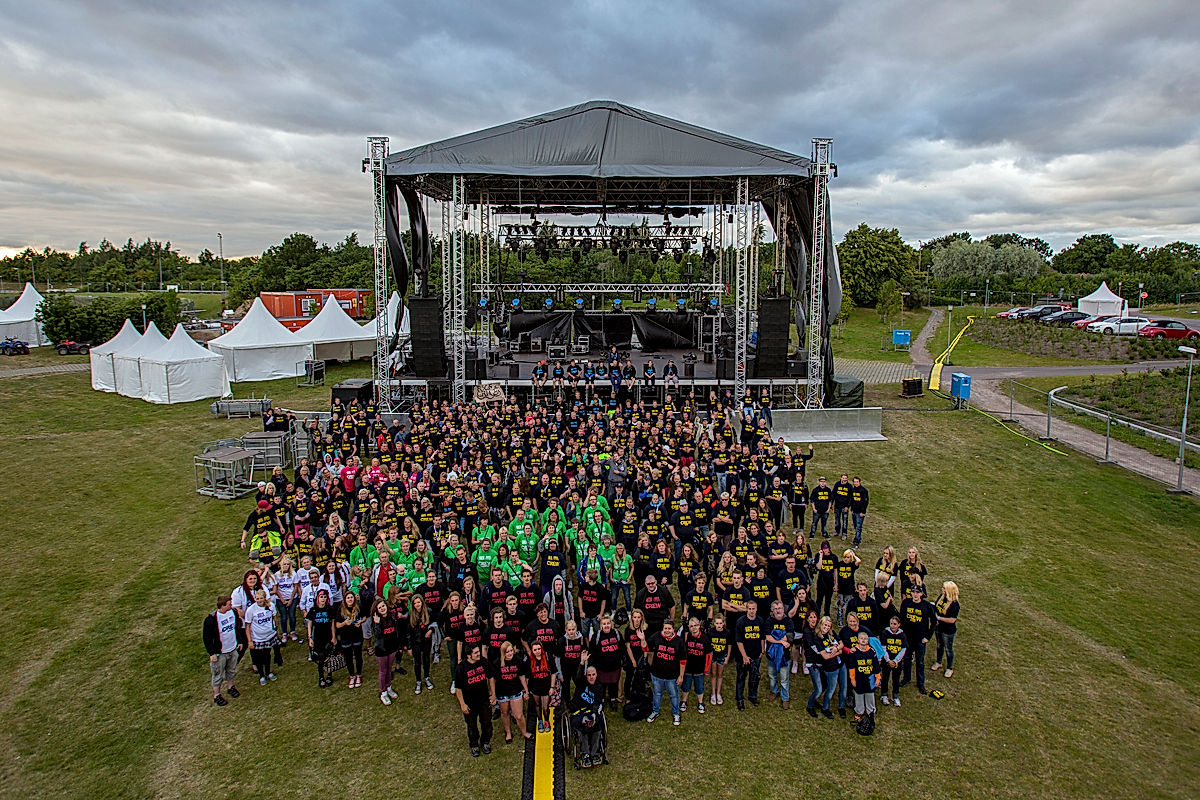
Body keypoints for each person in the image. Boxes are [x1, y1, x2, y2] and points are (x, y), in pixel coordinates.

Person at [203, 594, 246, 706]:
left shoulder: (233, 613)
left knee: (231, 669)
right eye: (229, 604)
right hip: (220, 652)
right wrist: (212, 653)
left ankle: (230, 687)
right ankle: (217, 695)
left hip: (232, 649)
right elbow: (207, 638)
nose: (231, 606)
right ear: (222, 606)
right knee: (218, 673)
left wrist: (240, 641)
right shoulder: (211, 619)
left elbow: (237, 627)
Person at [455, 644, 496, 757]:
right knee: (472, 726)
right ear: (468, 655)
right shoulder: (461, 668)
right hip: (470, 703)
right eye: (476, 653)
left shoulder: (484, 662)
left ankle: (485, 742)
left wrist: (493, 694)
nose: (479, 654)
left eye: (479, 652)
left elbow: (491, 677)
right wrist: (462, 704)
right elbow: (458, 688)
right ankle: (474, 744)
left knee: (487, 723)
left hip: (484, 700)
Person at [568, 655, 605, 768]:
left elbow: (598, 702)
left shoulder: (599, 687)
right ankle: (585, 754)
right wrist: (582, 663)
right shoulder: (581, 683)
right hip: (578, 711)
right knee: (581, 725)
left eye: (593, 675)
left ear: (596, 675)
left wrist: (594, 714)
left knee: (597, 725)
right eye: (589, 675)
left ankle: (594, 753)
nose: (591, 677)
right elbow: (578, 676)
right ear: (586, 676)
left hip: (591, 711)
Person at [646, 619, 685, 725]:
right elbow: (645, 647)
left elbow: (683, 660)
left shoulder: (679, 641)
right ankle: (655, 711)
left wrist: (681, 676)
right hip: (657, 674)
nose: (667, 631)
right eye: (665, 628)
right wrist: (641, 639)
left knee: (674, 695)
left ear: (673, 629)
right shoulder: (656, 636)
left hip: (672, 676)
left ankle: (676, 713)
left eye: (669, 628)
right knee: (657, 694)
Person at [900, 584, 935, 694]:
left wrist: (928, 637)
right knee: (906, 659)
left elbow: (934, 622)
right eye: (913, 592)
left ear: (921, 594)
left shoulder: (927, 606)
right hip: (908, 638)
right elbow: (901, 618)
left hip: (920, 639)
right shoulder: (906, 603)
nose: (915, 594)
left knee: (920, 662)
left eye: (917, 592)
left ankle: (920, 683)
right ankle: (906, 678)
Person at [494, 641, 531, 743]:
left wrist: (526, 690)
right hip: (502, 692)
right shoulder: (497, 663)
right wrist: (493, 694)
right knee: (504, 713)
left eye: (511, 651)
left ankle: (524, 732)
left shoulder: (518, 661)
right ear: (503, 653)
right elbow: (493, 680)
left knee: (519, 715)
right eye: (507, 652)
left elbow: (522, 676)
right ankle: (508, 733)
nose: (510, 653)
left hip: (516, 690)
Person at [244, 589, 280, 686]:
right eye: (257, 599)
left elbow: (274, 618)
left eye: (261, 598)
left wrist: (276, 630)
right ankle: (261, 675)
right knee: (259, 657)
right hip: (258, 638)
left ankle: (268, 672)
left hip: (270, 636)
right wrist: (249, 641)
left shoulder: (271, 606)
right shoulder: (251, 610)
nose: (259, 600)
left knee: (267, 655)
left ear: (265, 598)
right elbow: (247, 626)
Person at [734, 598, 765, 710]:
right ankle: (740, 699)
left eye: (753, 609)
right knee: (741, 677)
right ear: (746, 609)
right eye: (749, 609)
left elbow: (762, 636)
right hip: (742, 656)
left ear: (756, 609)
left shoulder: (760, 621)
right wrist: (744, 656)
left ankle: (752, 696)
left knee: (754, 677)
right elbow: (739, 640)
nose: (751, 611)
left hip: (756, 654)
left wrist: (762, 650)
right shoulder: (741, 622)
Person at [763, 600, 795, 709]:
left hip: (784, 656)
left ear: (783, 609)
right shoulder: (769, 621)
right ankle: (774, 691)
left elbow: (790, 634)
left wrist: (780, 638)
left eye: (780, 608)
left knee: (784, 679)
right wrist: (781, 641)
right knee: (772, 675)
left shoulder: (788, 621)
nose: (778, 611)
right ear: (772, 610)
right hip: (771, 655)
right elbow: (768, 637)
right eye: (776, 609)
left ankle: (785, 698)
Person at [847, 629, 880, 728]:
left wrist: (877, 678)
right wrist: (852, 679)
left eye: (865, 639)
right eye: (861, 638)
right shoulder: (854, 652)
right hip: (859, 679)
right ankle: (859, 712)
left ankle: (871, 712)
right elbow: (851, 667)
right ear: (858, 640)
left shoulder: (872, 651)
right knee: (859, 696)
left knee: (870, 695)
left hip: (869, 679)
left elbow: (876, 667)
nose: (863, 640)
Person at [372, 598, 401, 705]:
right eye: (379, 608)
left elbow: (396, 631)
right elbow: (378, 636)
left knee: (389, 669)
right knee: (383, 671)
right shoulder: (376, 621)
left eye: (383, 606)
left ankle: (388, 687)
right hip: (381, 649)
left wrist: (398, 645)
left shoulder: (392, 617)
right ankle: (383, 692)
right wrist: (378, 624)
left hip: (392, 647)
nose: (382, 609)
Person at [680, 616, 711, 715]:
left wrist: (706, 669)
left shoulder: (705, 638)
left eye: (696, 625)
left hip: (699, 668)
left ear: (699, 626)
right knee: (686, 686)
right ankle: (684, 701)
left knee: (699, 687)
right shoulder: (686, 636)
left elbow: (708, 655)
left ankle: (700, 703)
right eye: (691, 626)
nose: (694, 628)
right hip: (688, 667)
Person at [306, 588, 336, 688]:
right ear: (317, 598)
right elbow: (309, 625)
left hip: (327, 636)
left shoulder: (330, 609)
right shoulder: (313, 610)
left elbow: (332, 624)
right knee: (321, 657)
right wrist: (310, 638)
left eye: (324, 597)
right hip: (317, 637)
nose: (323, 599)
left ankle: (329, 675)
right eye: (321, 597)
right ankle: (321, 677)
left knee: (329, 656)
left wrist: (333, 637)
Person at [335, 592, 365, 689]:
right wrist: (344, 623)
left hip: (357, 635)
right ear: (345, 599)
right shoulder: (341, 609)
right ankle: (352, 675)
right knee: (348, 657)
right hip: (345, 636)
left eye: (351, 597)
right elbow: (337, 625)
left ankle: (359, 675)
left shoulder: (358, 607)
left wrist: (360, 621)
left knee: (358, 656)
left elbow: (364, 616)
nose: (350, 599)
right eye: (348, 598)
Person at [932, 580, 960, 679]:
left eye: (944, 588)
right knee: (939, 645)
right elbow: (936, 606)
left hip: (948, 630)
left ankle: (949, 668)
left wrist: (939, 618)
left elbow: (952, 620)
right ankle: (938, 662)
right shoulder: (941, 597)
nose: (942, 589)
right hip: (939, 627)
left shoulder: (954, 604)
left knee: (948, 649)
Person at [879, 615, 908, 707]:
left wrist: (895, 661)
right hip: (887, 660)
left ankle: (895, 696)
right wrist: (888, 660)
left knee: (896, 679)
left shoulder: (902, 635)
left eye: (895, 624)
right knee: (885, 678)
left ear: (899, 625)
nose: (893, 626)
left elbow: (903, 649)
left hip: (897, 662)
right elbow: (883, 647)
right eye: (891, 623)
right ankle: (884, 695)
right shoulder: (885, 633)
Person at [528, 641, 556, 733]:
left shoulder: (548, 657)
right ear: (532, 651)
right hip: (535, 687)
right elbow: (526, 676)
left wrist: (552, 687)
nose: (537, 651)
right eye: (535, 650)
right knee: (537, 705)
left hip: (546, 687)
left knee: (545, 707)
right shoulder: (529, 660)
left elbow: (553, 673)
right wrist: (527, 690)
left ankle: (546, 721)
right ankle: (540, 721)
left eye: (539, 649)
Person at [410, 593, 435, 693]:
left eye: (418, 602)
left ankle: (427, 677)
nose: (417, 604)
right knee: (417, 662)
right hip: (415, 642)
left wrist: (431, 630)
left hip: (426, 641)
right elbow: (408, 632)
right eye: (415, 603)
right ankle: (418, 681)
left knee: (426, 659)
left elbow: (434, 623)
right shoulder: (410, 615)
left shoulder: (428, 612)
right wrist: (408, 646)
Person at [707, 614, 729, 707]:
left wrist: (727, 657)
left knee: (720, 674)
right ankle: (713, 693)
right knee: (713, 674)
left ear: (723, 623)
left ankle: (718, 693)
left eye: (720, 623)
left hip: (722, 655)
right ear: (714, 624)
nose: (719, 625)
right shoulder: (710, 632)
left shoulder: (727, 632)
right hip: (713, 656)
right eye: (717, 623)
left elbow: (729, 645)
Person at [849, 477, 869, 547]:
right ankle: (858, 538)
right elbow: (851, 499)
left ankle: (856, 542)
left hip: (860, 512)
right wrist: (851, 509)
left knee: (858, 527)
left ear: (859, 482)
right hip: (854, 511)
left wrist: (863, 512)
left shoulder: (863, 491)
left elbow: (865, 502)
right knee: (855, 526)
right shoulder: (853, 490)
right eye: (854, 482)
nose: (856, 483)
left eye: (857, 482)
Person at [832, 474, 853, 540]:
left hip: (844, 507)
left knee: (845, 521)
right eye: (843, 478)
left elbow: (850, 498)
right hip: (837, 506)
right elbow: (833, 494)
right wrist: (832, 504)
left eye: (845, 478)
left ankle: (844, 534)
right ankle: (837, 531)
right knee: (837, 520)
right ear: (841, 478)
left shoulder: (849, 487)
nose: (844, 479)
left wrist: (847, 506)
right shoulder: (837, 484)